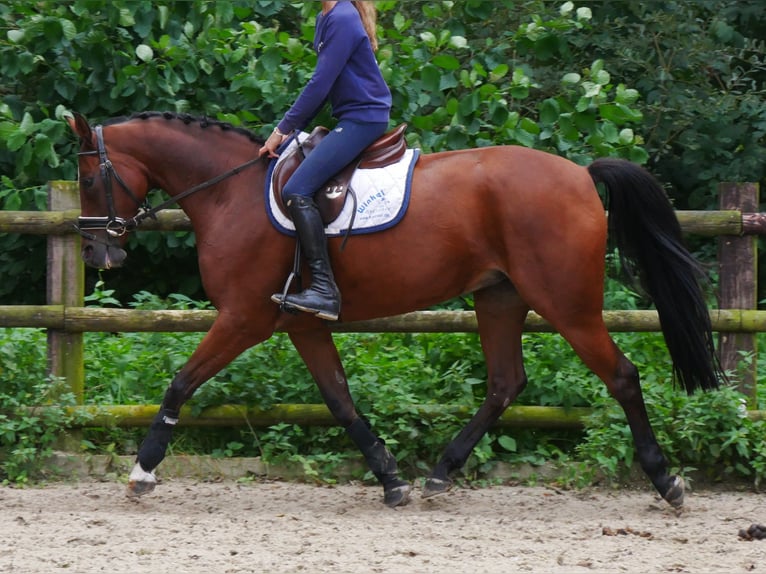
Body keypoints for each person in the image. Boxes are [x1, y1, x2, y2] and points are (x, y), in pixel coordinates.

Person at [259, 1, 391, 322]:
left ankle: (324, 289)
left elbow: (320, 83)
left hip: (363, 118)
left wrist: (282, 130)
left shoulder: (343, 17)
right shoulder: (326, 17)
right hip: (351, 115)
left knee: (297, 189)